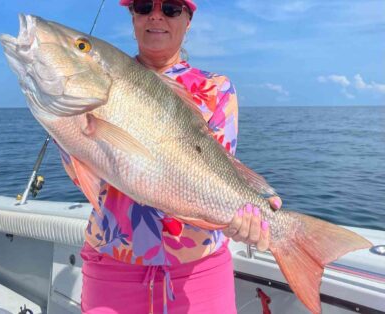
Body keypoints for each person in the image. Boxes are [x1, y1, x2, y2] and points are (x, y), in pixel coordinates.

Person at [58, 0, 282, 313]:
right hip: (111, 269)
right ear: (133, 17)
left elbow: (219, 175)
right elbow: (84, 179)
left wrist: (244, 217)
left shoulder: (216, 89)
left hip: (199, 274)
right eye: (143, 5)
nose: (156, 16)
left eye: (172, 9)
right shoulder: (94, 82)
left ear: (188, 21)